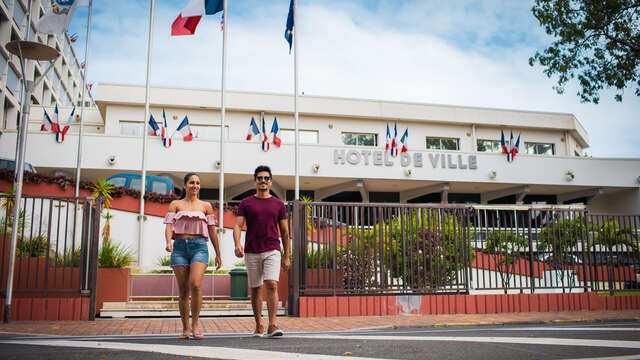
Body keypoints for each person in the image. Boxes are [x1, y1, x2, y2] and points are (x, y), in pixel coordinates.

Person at [233, 165, 290, 337]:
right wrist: (237, 244)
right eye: (260, 178)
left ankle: (273, 324)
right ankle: (259, 325)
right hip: (252, 250)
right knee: (256, 288)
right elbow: (237, 225)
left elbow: (285, 232)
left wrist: (286, 255)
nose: (263, 181)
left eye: (266, 178)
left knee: (272, 284)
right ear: (255, 181)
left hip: (272, 248)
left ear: (270, 182)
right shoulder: (246, 203)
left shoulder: (279, 204)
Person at [165, 173, 222, 339]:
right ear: (184, 185)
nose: (195, 185)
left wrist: (218, 254)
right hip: (180, 248)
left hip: (200, 247)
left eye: (197, 183)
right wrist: (169, 242)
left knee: (195, 284)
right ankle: (185, 328)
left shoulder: (206, 206)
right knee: (183, 291)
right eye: (191, 182)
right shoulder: (175, 204)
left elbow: (212, 231)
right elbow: (169, 226)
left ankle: (195, 325)